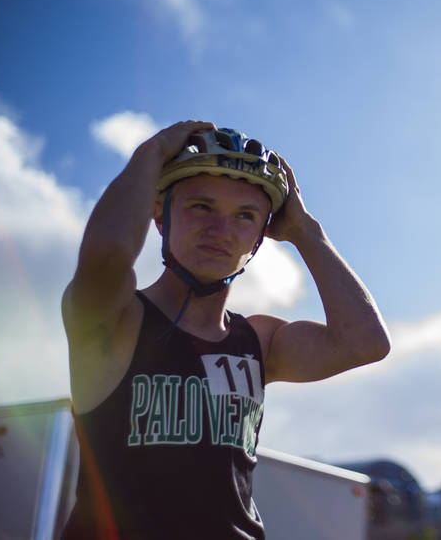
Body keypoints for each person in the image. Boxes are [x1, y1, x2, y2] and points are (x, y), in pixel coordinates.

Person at [60, 122, 390, 539]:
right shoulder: (114, 319)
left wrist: (305, 232)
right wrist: (154, 151)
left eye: (244, 216)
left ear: (258, 239)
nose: (221, 231)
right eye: (201, 206)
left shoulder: (259, 342)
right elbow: (106, 255)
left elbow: (366, 343)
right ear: (159, 216)